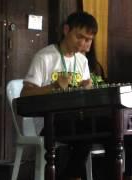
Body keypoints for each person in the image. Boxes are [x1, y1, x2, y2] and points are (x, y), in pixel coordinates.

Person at [21, 12, 98, 180]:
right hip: (47, 123)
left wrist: (87, 89)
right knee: (86, 133)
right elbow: (25, 94)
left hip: (75, 119)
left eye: (88, 40)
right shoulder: (44, 57)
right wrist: (54, 86)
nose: (83, 43)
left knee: (101, 129)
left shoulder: (82, 61)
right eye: (79, 37)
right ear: (66, 30)